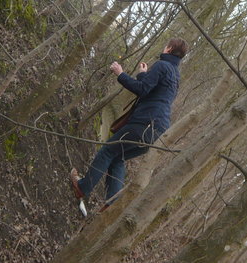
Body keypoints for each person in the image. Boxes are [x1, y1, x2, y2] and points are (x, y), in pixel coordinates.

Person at [70, 38, 188, 207]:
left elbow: (141, 89)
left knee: (108, 151)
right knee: (118, 158)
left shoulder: (162, 66)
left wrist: (120, 73)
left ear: (169, 48)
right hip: (158, 132)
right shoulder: (176, 76)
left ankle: (82, 187)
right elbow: (151, 92)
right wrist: (142, 75)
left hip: (144, 124)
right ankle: (111, 206)